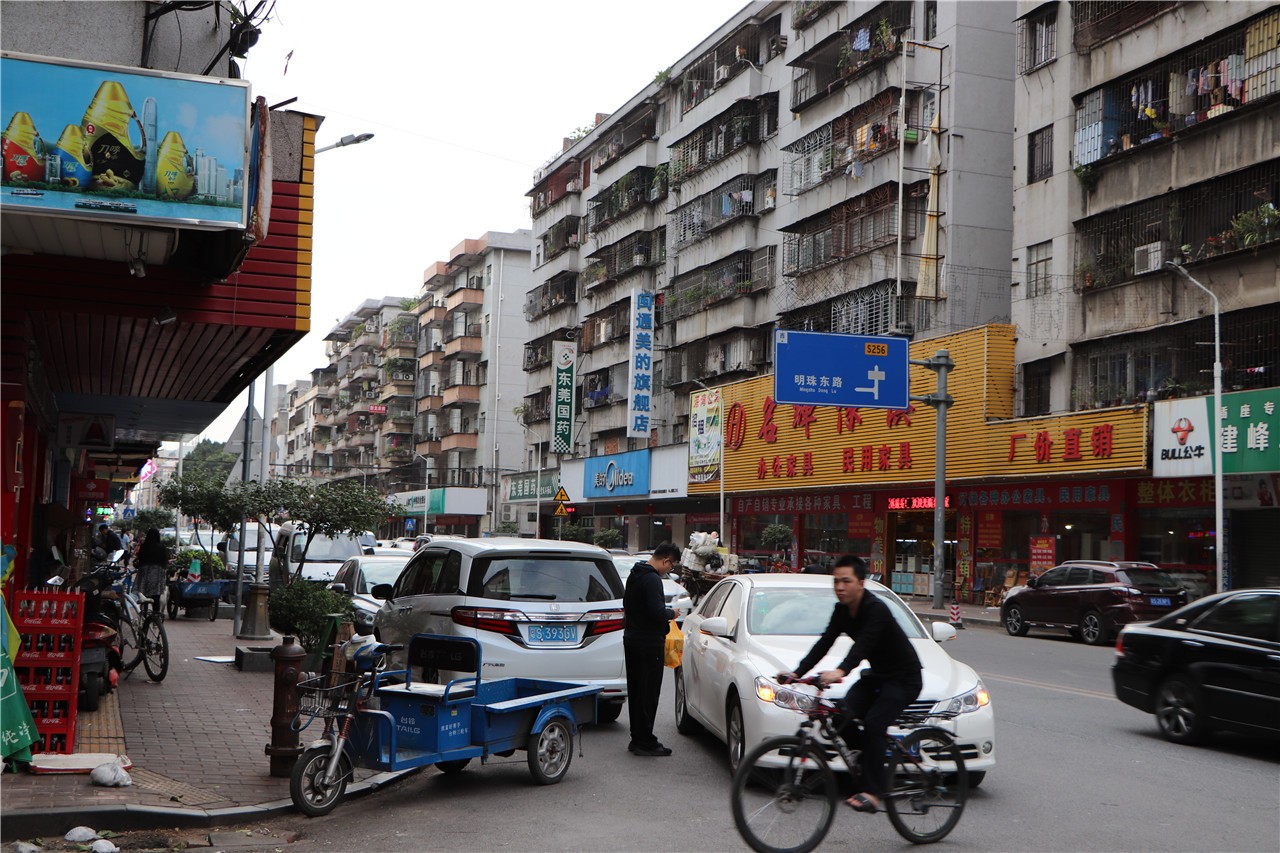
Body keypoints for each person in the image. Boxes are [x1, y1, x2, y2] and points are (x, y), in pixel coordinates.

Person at [777, 554, 922, 814]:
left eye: (846, 581)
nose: (840, 587)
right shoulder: (841, 610)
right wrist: (797, 673)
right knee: (839, 716)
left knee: (875, 724)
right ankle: (869, 757)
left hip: (904, 678)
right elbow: (825, 642)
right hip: (877, 676)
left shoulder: (876, 609)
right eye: (836, 582)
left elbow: (863, 645)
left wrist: (840, 670)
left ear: (861, 583)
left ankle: (873, 792)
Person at [623, 542, 681, 757]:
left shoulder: (635, 574)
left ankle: (636, 737)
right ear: (666, 560)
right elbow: (656, 612)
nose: (670, 570)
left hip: (632, 640)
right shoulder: (652, 579)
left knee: (637, 692)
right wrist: (671, 613)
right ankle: (645, 741)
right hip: (648, 643)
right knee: (649, 694)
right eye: (672, 565)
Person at [133, 527, 170, 599]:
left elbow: (140, 558)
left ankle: (144, 608)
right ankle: (156, 610)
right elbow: (165, 560)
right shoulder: (161, 547)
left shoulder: (144, 546)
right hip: (157, 572)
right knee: (156, 596)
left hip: (145, 571)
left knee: (144, 594)